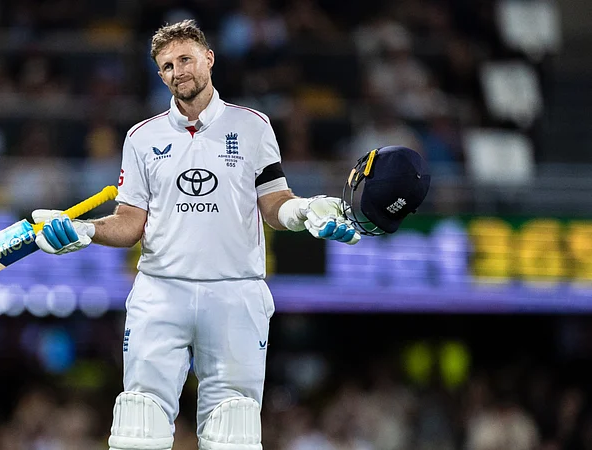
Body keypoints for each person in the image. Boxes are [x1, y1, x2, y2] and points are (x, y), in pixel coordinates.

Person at [31, 20, 429, 450]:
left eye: (185, 59)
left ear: (209, 58)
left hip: (235, 292)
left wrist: (306, 211)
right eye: (166, 66)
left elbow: (275, 205)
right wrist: (82, 230)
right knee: (138, 426)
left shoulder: (253, 126)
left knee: (233, 430)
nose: (177, 71)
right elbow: (130, 223)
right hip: (160, 290)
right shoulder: (141, 137)